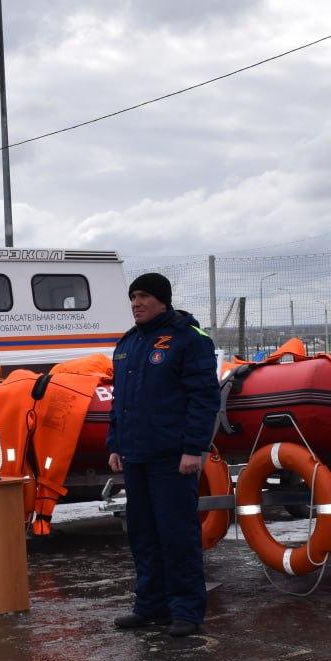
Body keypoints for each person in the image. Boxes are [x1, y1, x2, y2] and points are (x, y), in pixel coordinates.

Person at [107, 272, 221, 638]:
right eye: (132, 298)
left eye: (142, 296)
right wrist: (116, 444)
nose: (135, 304)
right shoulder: (127, 344)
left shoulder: (188, 339)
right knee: (142, 534)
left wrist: (194, 448)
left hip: (172, 458)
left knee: (177, 536)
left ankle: (186, 610)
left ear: (162, 300)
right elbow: (120, 403)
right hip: (136, 454)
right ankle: (150, 606)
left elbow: (204, 397)